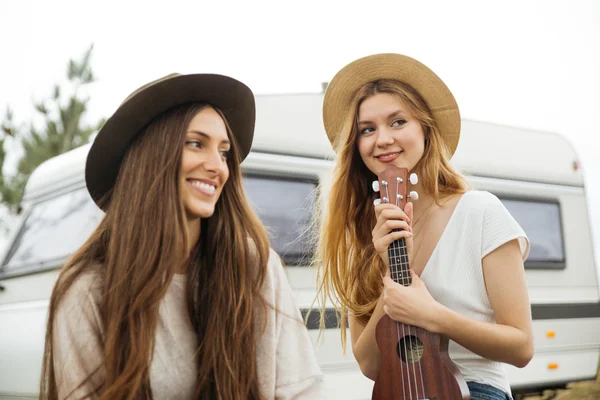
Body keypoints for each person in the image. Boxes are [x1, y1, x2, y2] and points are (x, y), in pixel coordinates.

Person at [40, 73, 324, 400]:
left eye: (224, 152)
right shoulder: (89, 290)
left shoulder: (254, 267)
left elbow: (301, 388)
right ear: (151, 157)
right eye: (196, 143)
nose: (218, 166)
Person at [315, 53, 533, 399]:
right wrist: (389, 279)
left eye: (398, 122)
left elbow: (521, 347)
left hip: (474, 390)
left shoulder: (480, 211)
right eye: (367, 130)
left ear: (425, 129)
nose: (382, 139)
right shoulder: (365, 235)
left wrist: (433, 316)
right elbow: (371, 365)